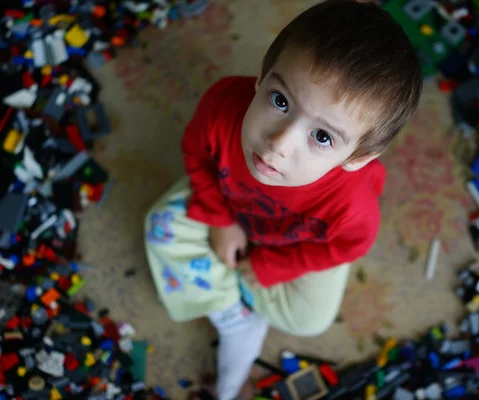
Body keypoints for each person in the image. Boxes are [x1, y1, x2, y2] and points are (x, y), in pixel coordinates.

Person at [144, 0, 422, 398]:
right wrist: (220, 219)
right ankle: (235, 317)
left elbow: (348, 245)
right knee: (160, 227)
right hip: (229, 201)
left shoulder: (350, 206)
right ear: (261, 77)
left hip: (301, 238)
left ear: (357, 158)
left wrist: (276, 265)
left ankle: (223, 285)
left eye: (322, 137)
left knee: (311, 318)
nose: (279, 143)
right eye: (280, 100)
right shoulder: (223, 105)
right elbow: (196, 154)